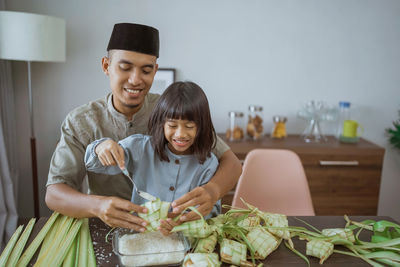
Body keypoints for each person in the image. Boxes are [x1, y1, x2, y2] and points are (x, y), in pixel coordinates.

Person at [45, 23, 242, 232]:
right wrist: (97, 206)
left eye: (146, 70)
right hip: (105, 229)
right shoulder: (81, 121)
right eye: (125, 67)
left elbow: (231, 163)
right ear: (106, 66)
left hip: (170, 230)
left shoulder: (171, 111)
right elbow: (55, 193)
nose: (135, 79)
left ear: (155, 71)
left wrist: (212, 191)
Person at [85, 81, 220, 234]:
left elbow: (212, 212)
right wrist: (100, 148)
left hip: (185, 243)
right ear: (161, 123)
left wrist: (181, 222)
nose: (180, 134)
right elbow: (93, 164)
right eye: (172, 126)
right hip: (140, 237)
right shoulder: (140, 148)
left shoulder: (209, 164)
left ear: (202, 126)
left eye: (189, 126)